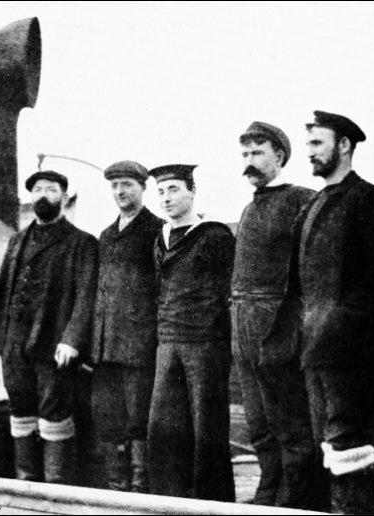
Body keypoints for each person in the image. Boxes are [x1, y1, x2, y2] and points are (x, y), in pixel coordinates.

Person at [263, 111, 374, 514]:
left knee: (348, 443)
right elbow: (299, 287)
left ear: (343, 145)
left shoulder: (367, 199)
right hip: (314, 348)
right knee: (325, 443)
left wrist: (339, 319)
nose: (309, 152)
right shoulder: (313, 206)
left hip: (349, 349)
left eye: (317, 143)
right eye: (307, 144)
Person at [0, 170, 98, 484]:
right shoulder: (18, 240)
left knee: (54, 413)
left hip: (54, 347)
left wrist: (72, 340)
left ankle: (56, 491)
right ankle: (26, 488)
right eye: (38, 189)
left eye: (51, 189)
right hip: (15, 345)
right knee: (20, 411)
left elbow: (87, 297)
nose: (43, 195)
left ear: (64, 198)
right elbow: (2, 290)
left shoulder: (81, 243)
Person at [231, 121, 318, 508]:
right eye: (245, 153)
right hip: (243, 322)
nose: (249, 161)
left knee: (289, 418)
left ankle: (296, 498)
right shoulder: (250, 208)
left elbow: (314, 267)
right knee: (258, 420)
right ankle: (269, 488)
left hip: (278, 322)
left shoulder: (302, 199)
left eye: (258, 152)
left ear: (279, 156)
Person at [146, 164, 236, 502]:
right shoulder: (161, 238)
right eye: (161, 192)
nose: (166, 198)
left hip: (205, 345)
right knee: (163, 428)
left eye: (174, 189)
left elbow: (228, 291)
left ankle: (213, 505)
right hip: (168, 343)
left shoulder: (214, 235)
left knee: (206, 429)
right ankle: (169, 503)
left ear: (192, 191)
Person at [91, 160, 164, 493]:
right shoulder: (106, 235)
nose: (120, 192)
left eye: (127, 185)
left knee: (139, 417)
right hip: (106, 345)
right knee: (109, 417)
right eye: (115, 186)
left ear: (143, 188)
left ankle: (140, 483)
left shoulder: (156, 230)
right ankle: (117, 483)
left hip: (139, 342)